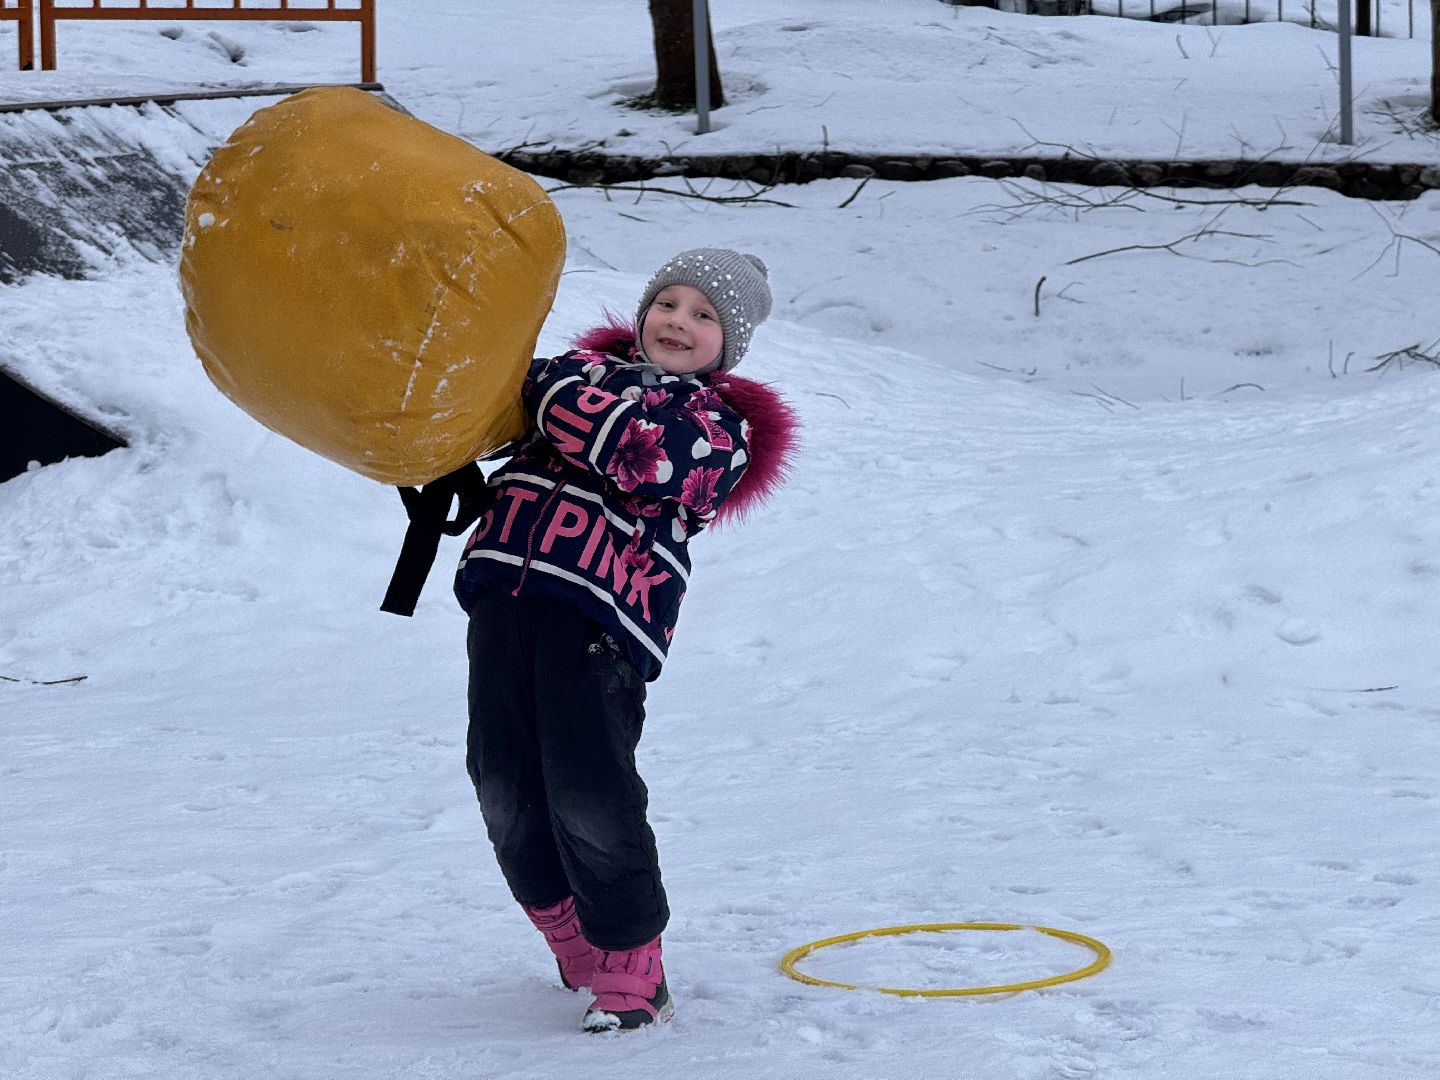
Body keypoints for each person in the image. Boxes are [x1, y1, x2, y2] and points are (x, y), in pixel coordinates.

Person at [454, 248, 797, 1033]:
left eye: (705, 315)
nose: (679, 321)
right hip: (505, 600)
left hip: (602, 624)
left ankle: (633, 965)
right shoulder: (573, 376)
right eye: (669, 303)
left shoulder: (717, 427)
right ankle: (569, 933)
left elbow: (641, 455)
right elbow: (479, 404)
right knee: (500, 780)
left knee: (587, 788)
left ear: (729, 343)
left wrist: (545, 391)